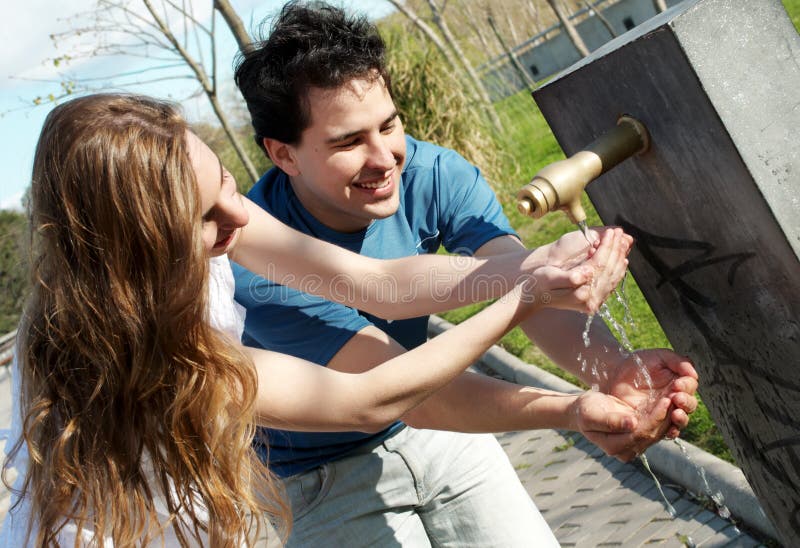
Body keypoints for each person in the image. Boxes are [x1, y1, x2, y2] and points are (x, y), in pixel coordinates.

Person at [0, 93, 635, 546]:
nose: (240, 217)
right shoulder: (139, 361)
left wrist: (528, 270)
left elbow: (376, 284)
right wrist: (522, 303)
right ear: (142, 251)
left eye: (226, 182)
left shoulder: (214, 230)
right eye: (206, 218)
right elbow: (362, 400)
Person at [232, 2, 700, 546]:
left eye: (389, 124)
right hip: (320, 478)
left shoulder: (433, 173)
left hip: (444, 434)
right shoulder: (254, 263)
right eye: (348, 141)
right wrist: (572, 410)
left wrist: (612, 370)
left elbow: (516, 281)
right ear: (282, 155)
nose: (385, 158)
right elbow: (411, 395)